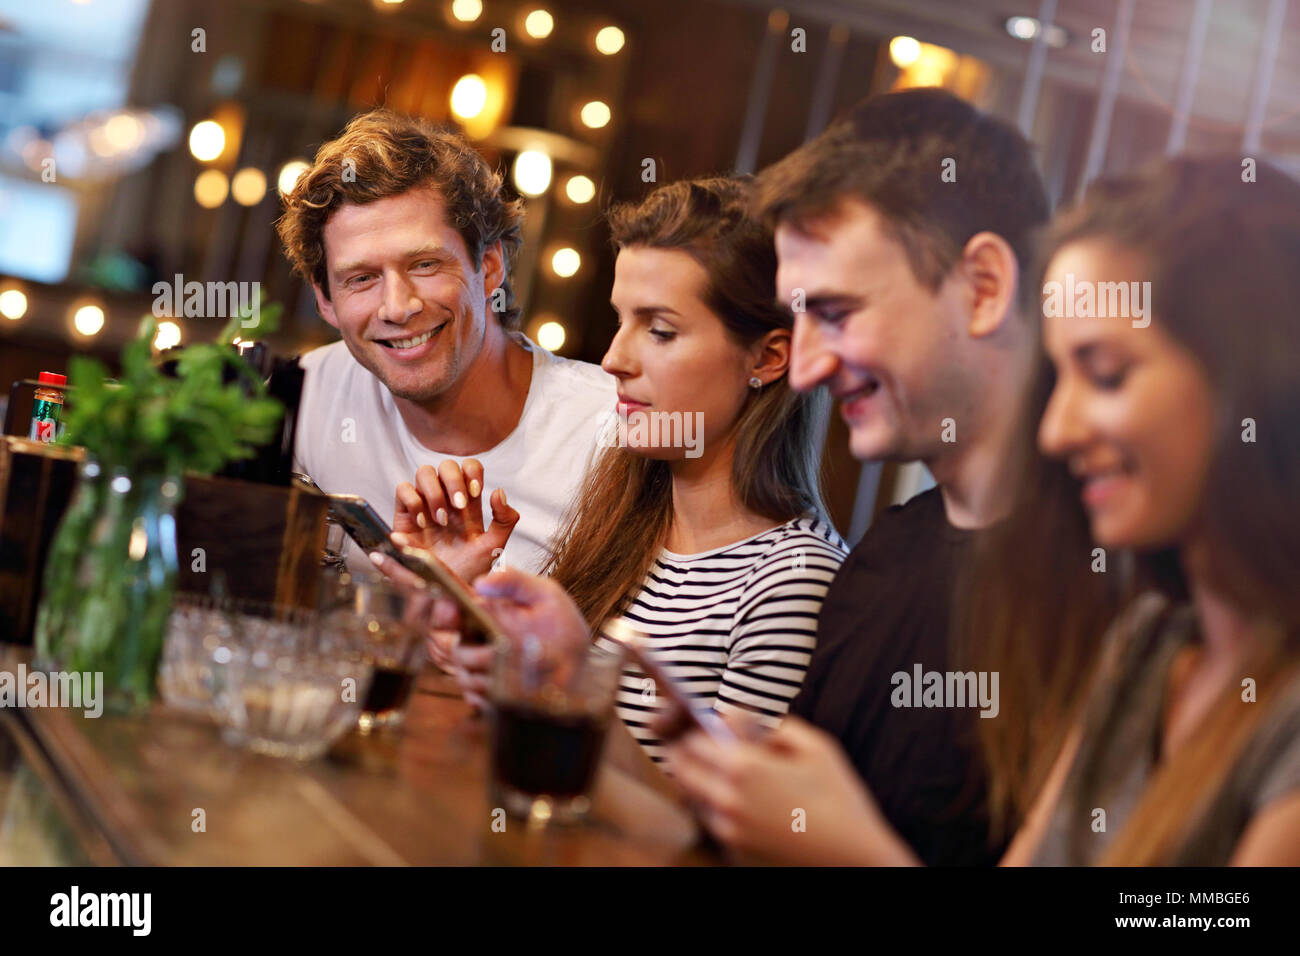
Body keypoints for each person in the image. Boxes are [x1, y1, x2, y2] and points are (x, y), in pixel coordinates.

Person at [664, 156, 1300, 866]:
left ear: (1254, 383)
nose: (1058, 429)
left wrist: (854, 851)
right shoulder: (1148, 646)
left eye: (1108, 374)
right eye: (1060, 378)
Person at [384, 177, 847, 764]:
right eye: (622, 320)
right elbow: (523, 749)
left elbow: (724, 830)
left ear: (768, 356)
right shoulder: (625, 515)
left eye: (659, 330)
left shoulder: (792, 581)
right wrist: (460, 610)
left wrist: (570, 688)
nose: (614, 359)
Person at [755, 87, 1054, 865]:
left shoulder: (1122, 593)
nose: (806, 367)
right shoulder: (882, 558)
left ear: (983, 287)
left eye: (838, 313)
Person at [277, 109, 614, 574]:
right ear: (326, 300)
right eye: (361, 278)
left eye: (425, 265)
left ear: (491, 266)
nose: (397, 307)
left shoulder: (612, 431)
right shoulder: (302, 399)